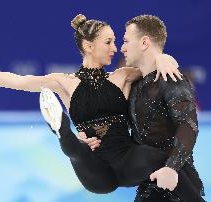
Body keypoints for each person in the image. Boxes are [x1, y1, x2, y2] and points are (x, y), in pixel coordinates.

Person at [0, 14, 183, 199]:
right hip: (95, 171)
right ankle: (62, 129)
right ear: (89, 46)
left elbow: (157, 65)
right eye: (108, 42)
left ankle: (64, 131)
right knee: (76, 148)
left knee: (167, 159)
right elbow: (17, 80)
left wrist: (163, 57)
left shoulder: (123, 76)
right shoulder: (64, 82)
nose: (115, 48)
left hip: (129, 160)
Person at [75, 15, 205, 201]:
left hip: (176, 184)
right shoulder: (134, 85)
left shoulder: (170, 80)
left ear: (144, 42)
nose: (122, 47)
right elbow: (115, 126)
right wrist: (89, 137)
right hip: (148, 185)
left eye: (126, 40)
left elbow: (189, 124)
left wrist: (171, 167)